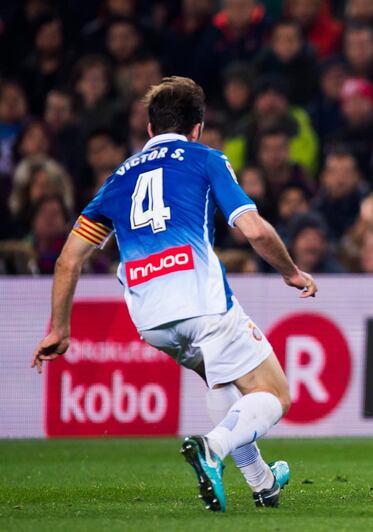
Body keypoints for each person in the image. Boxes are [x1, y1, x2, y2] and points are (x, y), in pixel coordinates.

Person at [30, 77, 318, 512]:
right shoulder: (206, 159)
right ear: (198, 127)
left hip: (151, 320)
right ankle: (212, 448)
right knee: (275, 394)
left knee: (221, 379)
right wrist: (291, 271)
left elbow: (68, 260)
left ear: (149, 128)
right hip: (202, 303)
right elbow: (253, 228)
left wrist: (59, 329)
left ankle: (262, 481)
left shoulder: (118, 178)